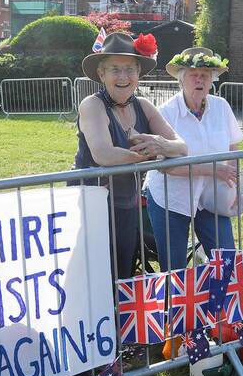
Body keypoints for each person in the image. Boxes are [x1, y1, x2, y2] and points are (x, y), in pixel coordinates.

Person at [72, 32, 187, 279]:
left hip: (126, 206)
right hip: (90, 207)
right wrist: (154, 155)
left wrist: (159, 143)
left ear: (138, 74)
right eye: (115, 69)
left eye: (129, 69)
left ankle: (119, 317)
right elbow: (104, 154)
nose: (123, 77)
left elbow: (181, 146)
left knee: (122, 273)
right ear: (101, 74)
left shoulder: (144, 106)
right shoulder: (92, 105)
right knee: (92, 278)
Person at [145, 48, 241, 271]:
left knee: (227, 258)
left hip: (211, 197)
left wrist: (234, 187)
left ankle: (218, 305)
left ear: (212, 80)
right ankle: (176, 306)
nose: (199, 79)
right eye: (193, 74)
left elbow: (233, 148)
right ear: (181, 79)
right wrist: (214, 170)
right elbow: (166, 167)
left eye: (205, 75)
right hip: (170, 198)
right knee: (174, 267)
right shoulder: (165, 113)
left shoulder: (221, 107)